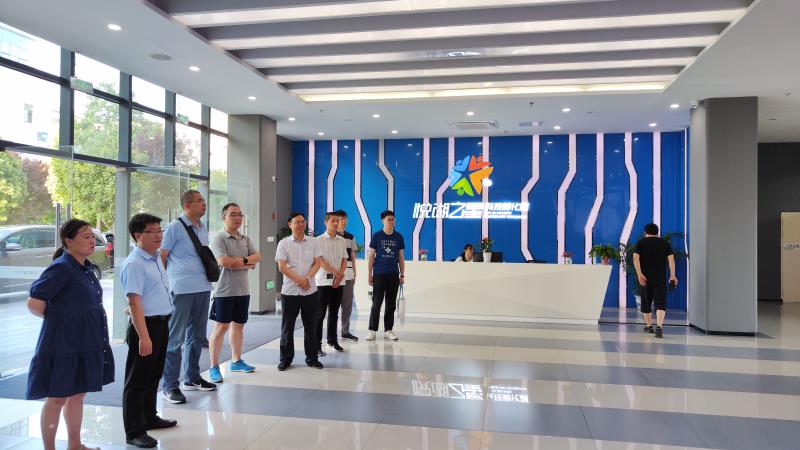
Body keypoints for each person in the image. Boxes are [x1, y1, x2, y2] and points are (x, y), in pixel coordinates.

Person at [25, 219, 114, 450]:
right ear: (69, 241)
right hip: (63, 343)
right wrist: (62, 323)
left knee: (77, 395)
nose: (92, 240)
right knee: (57, 397)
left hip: (85, 340)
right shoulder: (62, 267)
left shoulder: (85, 267)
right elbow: (34, 302)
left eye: (92, 236)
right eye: (86, 236)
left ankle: (75, 444)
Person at [120, 214, 178, 448]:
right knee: (137, 380)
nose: (158, 235)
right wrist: (144, 337)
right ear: (138, 236)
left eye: (159, 230)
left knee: (153, 374)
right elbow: (134, 303)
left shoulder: (155, 258)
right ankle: (134, 431)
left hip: (161, 323)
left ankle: (149, 417)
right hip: (145, 326)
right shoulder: (134, 263)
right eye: (152, 231)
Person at [160, 190, 217, 404]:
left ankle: (192, 377)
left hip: (203, 286)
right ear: (186, 205)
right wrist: (164, 285)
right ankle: (170, 385)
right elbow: (162, 256)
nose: (204, 204)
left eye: (204, 201)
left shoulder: (202, 228)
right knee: (175, 338)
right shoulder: (174, 227)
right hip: (181, 288)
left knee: (197, 335)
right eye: (199, 201)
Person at [207, 203, 261, 383]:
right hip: (224, 291)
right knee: (221, 327)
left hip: (243, 290)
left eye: (240, 214)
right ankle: (214, 367)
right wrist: (248, 264)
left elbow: (257, 257)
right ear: (224, 217)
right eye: (233, 214)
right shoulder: (219, 238)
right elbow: (224, 261)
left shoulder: (245, 238)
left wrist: (243, 261)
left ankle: (236, 361)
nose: (238, 217)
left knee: (239, 326)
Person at [275, 212, 324, 370]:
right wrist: (300, 280)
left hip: (310, 291)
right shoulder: (283, 243)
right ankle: (285, 359)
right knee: (287, 327)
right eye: (297, 222)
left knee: (311, 326)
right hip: (290, 292)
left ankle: (312, 358)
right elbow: (282, 267)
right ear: (290, 224)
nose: (301, 224)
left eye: (303, 222)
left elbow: (317, 263)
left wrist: (307, 279)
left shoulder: (313, 242)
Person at [633, 223, 678, 338]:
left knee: (646, 301)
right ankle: (659, 326)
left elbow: (635, 258)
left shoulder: (640, 243)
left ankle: (649, 326)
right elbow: (671, 260)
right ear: (657, 232)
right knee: (661, 302)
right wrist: (672, 275)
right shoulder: (665, 243)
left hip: (645, 278)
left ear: (645, 232)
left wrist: (639, 274)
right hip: (660, 278)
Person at [367, 210, 405, 341]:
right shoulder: (377, 236)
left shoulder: (398, 237)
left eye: (393, 219)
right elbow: (371, 256)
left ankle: (388, 330)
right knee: (376, 303)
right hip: (379, 274)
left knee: (391, 304)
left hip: (393, 274)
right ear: (383, 220)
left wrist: (402, 275)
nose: (392, 222)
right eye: (389, 219)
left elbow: (401, 257)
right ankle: (372, 330)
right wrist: (370, 274)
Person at [315, 212, 348, 354]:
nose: (336, 223)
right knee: (320, 314)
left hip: (338, 282)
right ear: (325, 222)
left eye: (337, 221)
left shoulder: (342, 240)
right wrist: (337, 274)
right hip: (323, 282)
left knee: (334, 313)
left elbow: (345, 260)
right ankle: (316, 345)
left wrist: (339, 277)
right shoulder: (318, 240)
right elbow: (321, 262)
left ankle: (332, 340)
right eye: (333, 221)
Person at [335, 210, 359, 342]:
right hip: (335, 273)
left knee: (347, 304)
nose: (343, 221)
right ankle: (332, 333)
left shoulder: (350, 237)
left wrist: (355, 272)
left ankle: (345, 331)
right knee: (334, 304)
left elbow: (353, 256)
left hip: (349, 274)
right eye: (341, 219)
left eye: (345, 219)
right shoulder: (332, 236)